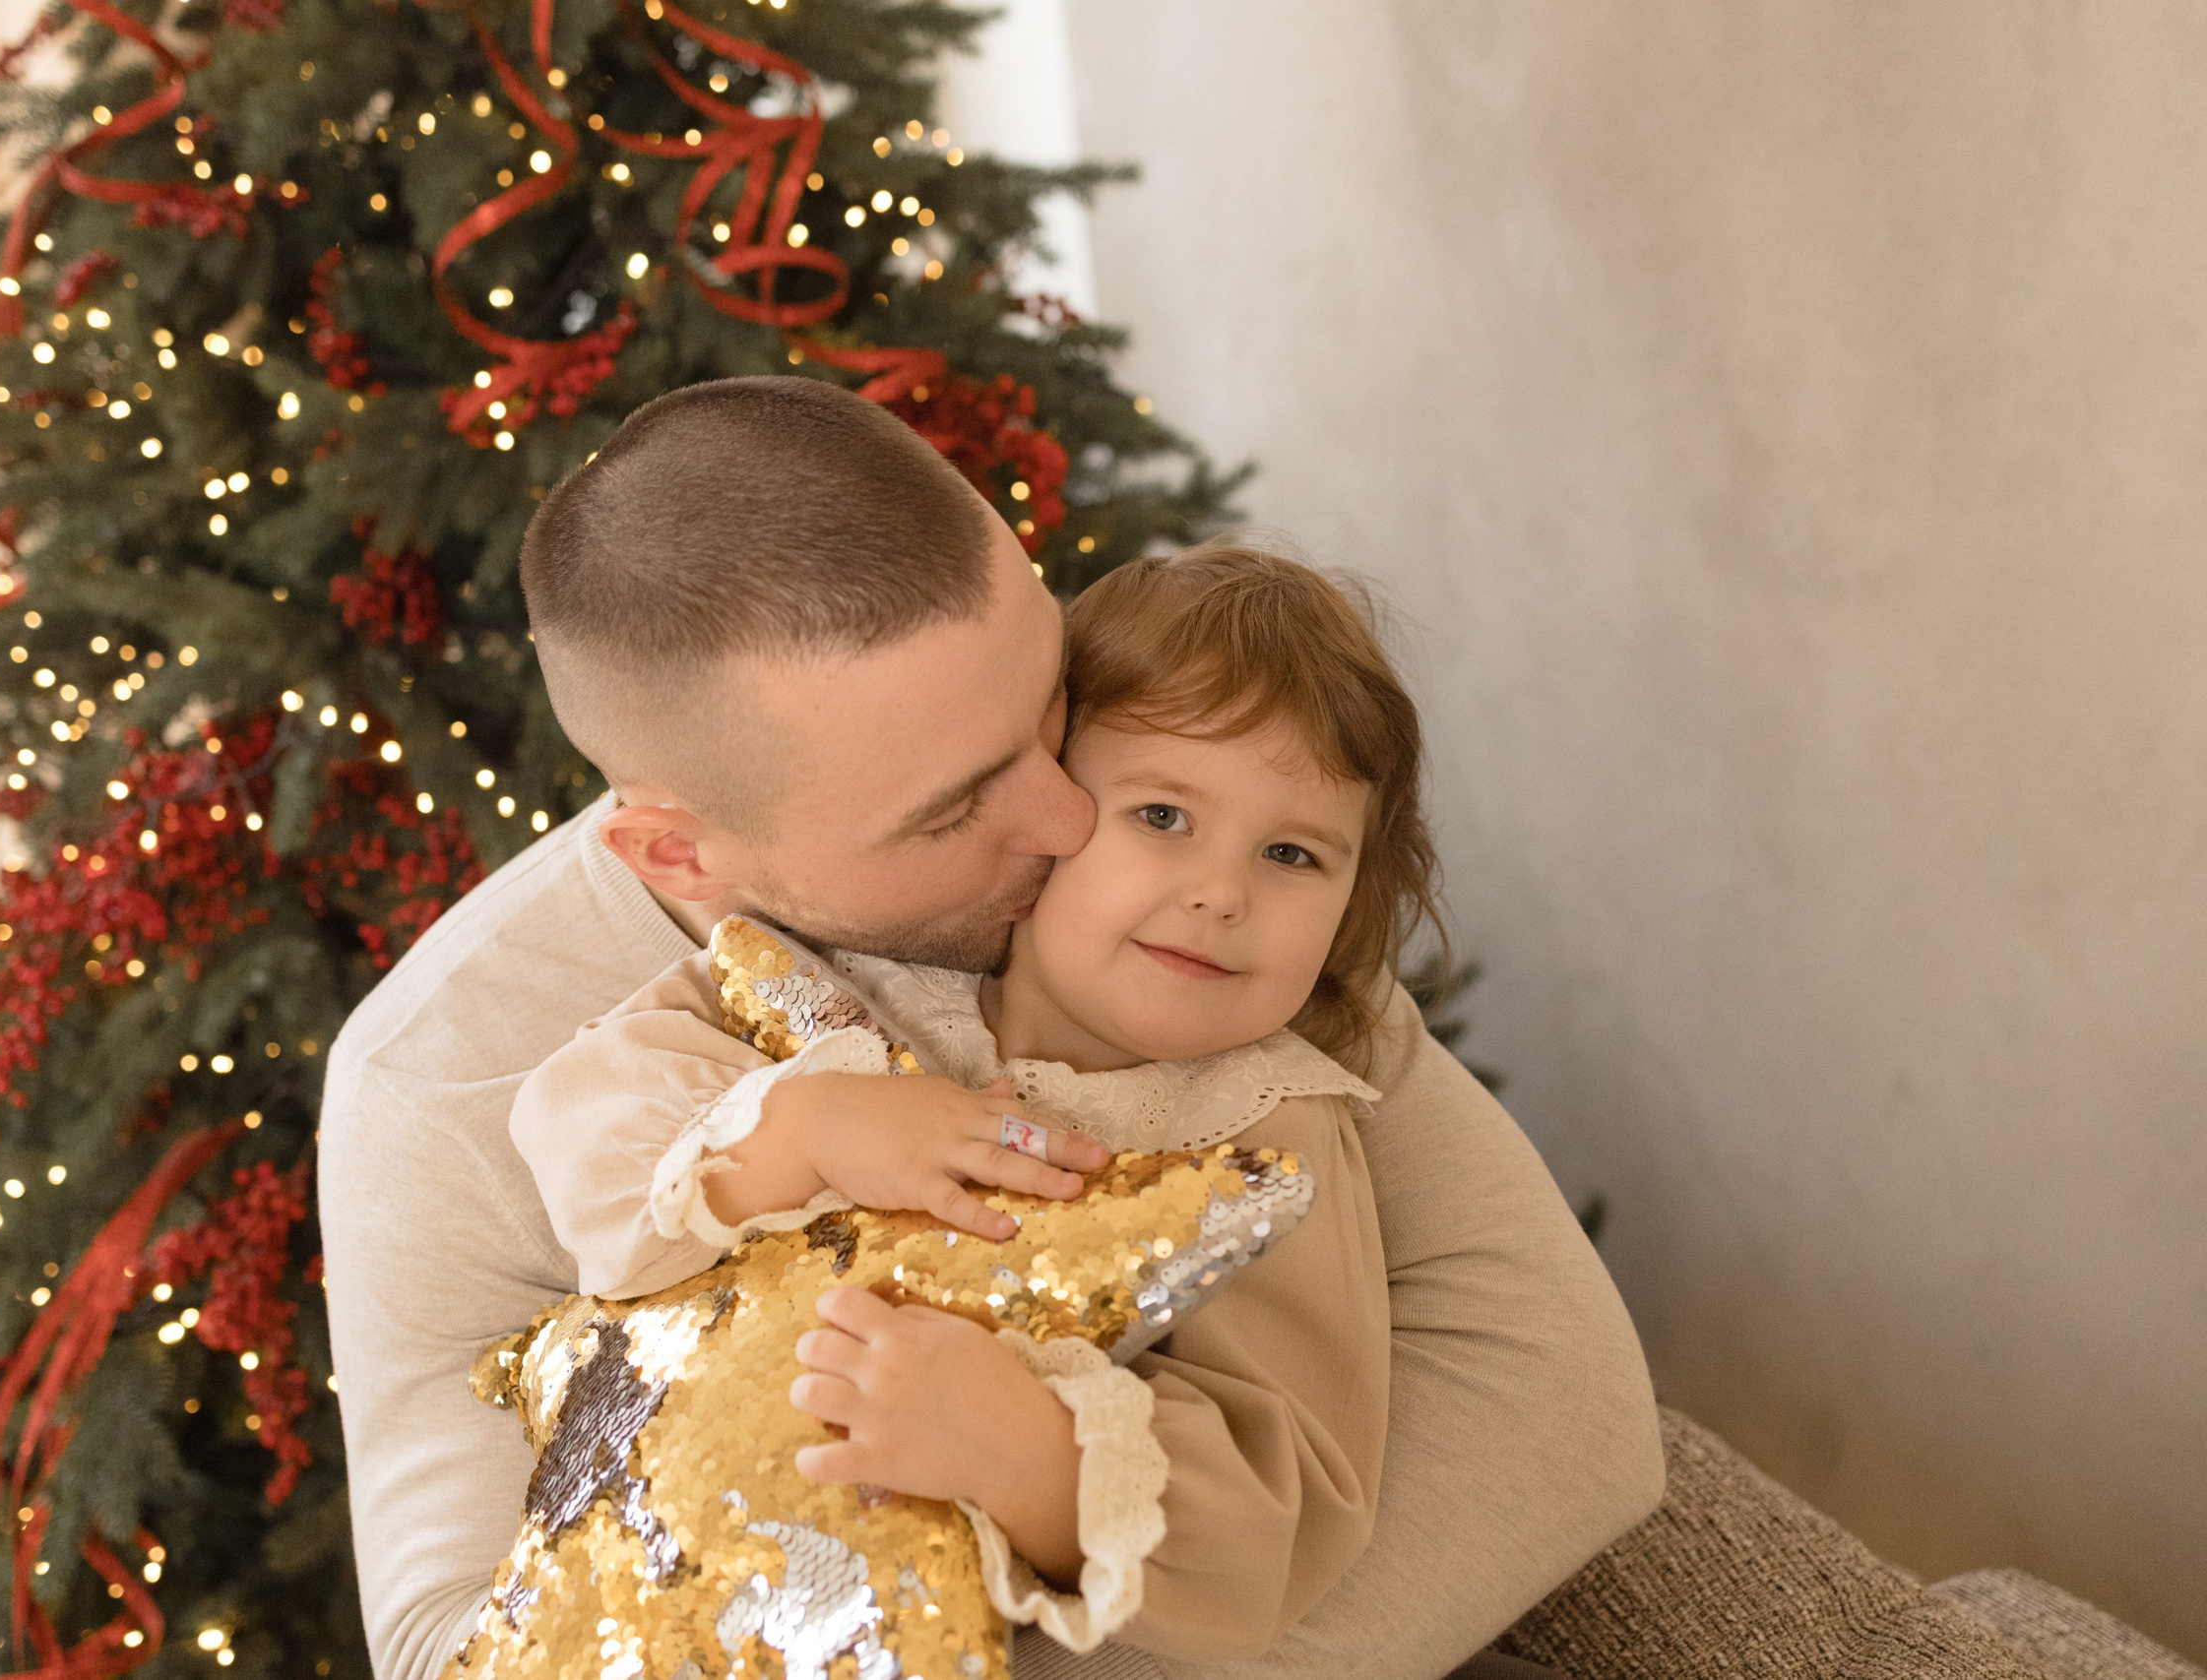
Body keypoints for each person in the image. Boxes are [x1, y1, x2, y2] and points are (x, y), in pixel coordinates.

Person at [316, 377, 1664, 1680]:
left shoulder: (1187, 904)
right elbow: (456, 1643)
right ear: (679, 853)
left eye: (1047, 713)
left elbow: (1562, 1413)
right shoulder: (441, 1085)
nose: (1072, 819)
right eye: (955, 808)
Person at [513, 543, 1422, 1656]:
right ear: (1049, 801)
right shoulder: (869, 970)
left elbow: (1292, 1498)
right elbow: (586, 1107)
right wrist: (803, 1130)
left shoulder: (1266, 1134)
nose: (1220, 893)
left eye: (1293, 853)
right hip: (638, 1556)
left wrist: (1030, 1455)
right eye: (1162, 817)